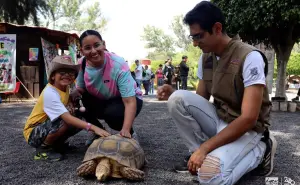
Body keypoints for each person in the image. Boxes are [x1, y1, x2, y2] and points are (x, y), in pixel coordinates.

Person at [157, 2, 277, 184]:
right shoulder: (206, 58)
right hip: (220, 120)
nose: (195, 43)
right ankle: (200, 156)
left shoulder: (249, 56)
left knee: (208, 177)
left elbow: (249, 118)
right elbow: (199, 100)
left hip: (248, 129)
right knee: (177, 98)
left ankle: (261, 152)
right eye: (192, 37)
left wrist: (205, 147)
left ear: (217, 28)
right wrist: (173, 92)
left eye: (199, 36)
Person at [23, 55, 111, 162]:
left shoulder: (65, 87)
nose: (67, 76)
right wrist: (94, 128)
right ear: (53, 76)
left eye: (70, 73)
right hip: (33, 133)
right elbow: (67, 119)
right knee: (66, 120)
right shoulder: (50, 93)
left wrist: (70, 102)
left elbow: (66, 101)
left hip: (46, 126)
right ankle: (43, 150)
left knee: (78, 116)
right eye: (62, 72)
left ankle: (57, 144)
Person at [72, 30, 143, 145]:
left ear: (103, 44)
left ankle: (130, 133)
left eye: (97, 45)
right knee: (77, 105)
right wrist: (68, 97)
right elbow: (81, 89)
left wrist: (125, 129)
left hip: (128, 99)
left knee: (113, 115)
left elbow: (129, 101)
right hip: (103, 100)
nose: (93, 51)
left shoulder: (118, 64)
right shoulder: (82, 63)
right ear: (82, 51)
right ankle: (97, 130)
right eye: (88, 48)